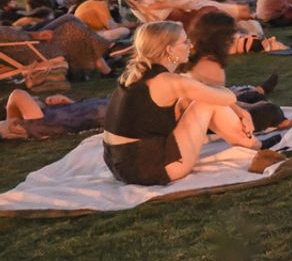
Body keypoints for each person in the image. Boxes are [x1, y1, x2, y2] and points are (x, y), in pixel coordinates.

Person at [101, 22, 280, 185]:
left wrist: (241, 111)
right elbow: (227, 98)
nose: (191, 46)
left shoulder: (137, 75)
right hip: (149, 169)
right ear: (169, 50)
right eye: (185, 41)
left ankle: (251, 144)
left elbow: (200, 91)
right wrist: (232, 103)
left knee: (198, 99)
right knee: (206, 103)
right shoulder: (169, 81)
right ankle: (255, 147)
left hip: (121, 164)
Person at [181, 12, 291, 133]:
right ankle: (279, 121)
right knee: (271, 110)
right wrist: (247, 109)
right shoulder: (210, 66)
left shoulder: (194, 55)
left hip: (205, 113)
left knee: (254, 96)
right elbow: (221, 108)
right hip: (207, 122)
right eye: (231, 35)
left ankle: (260, 91)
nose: (235, 38)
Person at [0, 89, 109, 140]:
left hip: (107, 106)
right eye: (33, 99)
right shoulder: (36, 123)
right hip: (110, 109)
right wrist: (11, 117)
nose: (36, 98)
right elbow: (17, 94)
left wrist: (70, 103)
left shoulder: (44, 118)